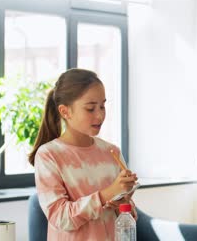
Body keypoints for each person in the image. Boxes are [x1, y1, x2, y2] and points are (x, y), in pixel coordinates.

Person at [29, 68, 138, 240]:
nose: (100, 115)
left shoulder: (112, 152)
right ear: (65, 112)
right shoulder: (48, 155)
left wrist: (124, 203)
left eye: (102, 106)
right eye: (90, 109)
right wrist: (106, 194)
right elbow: (61, 218)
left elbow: (126, 219)